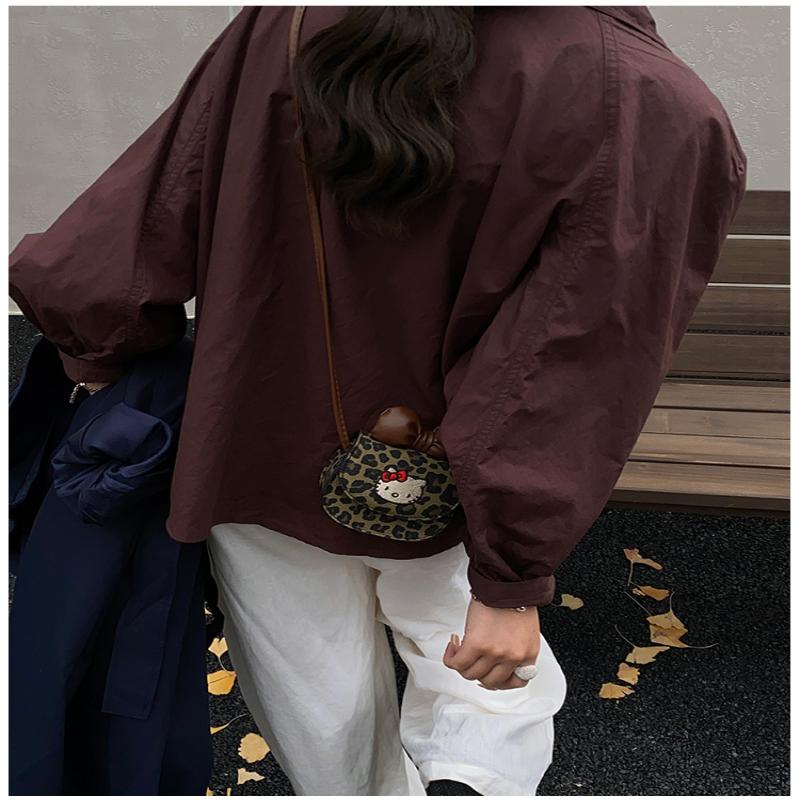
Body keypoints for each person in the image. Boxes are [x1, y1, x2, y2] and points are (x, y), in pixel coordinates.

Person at [9, 6, 747, 796]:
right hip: (453, 479)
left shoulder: (290, 22)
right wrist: (512, 574)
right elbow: (572, 354)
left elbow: (158, 199)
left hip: (258, 443)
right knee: (485, 697)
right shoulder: (641, 94)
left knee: (321, 718)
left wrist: (98, 341)